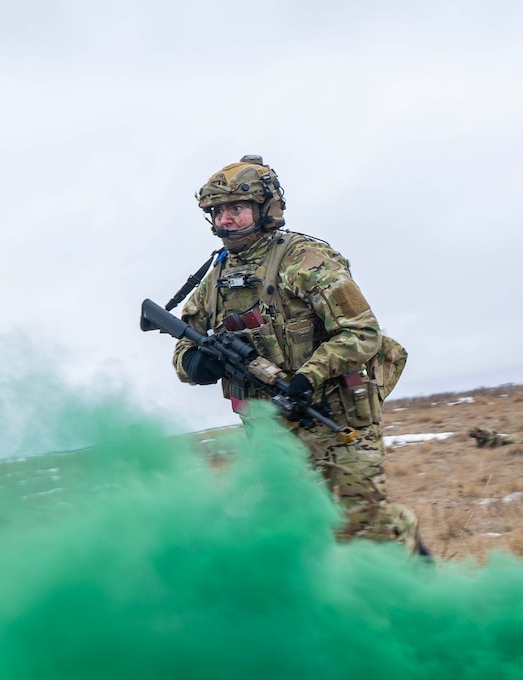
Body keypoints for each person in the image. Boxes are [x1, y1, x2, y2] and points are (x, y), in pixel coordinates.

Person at [169, 156, 421, 550]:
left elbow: (361, 332)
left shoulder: (305, 260)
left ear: (265, 207)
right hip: (270, 434)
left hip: (335, 420)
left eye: (236, 209)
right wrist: (196, 363)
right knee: (291, 537)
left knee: (364, 530)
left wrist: (307, 377)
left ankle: (417, 590)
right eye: (218, 212)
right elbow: (185, 342)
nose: (226, 220)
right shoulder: (214, 278)